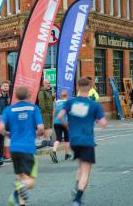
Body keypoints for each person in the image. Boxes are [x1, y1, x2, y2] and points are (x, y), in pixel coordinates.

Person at [57, 77, 107, 206]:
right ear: (90, 88)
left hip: (74, 140)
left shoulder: (70, 103)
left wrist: (66, 125)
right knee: (86, 171)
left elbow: (59, 116)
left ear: (78, 87)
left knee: (80, 165)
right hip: (87, 140)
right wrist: (97, 119)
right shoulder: (94, 105)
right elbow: (103, 124)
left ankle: (77, 187)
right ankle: (77, 199)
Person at [0, 86, 44, 206]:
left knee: (21, 177)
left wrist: (7, 134)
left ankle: (21, 202)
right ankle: (22, 187)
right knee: (30, 181)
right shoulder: (34, 108)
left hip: (14, 148)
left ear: (16, 96)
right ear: (28, 95)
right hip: (28, 147)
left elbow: (1, 127)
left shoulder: (9, 109)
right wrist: (38, 134)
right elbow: (40, 128)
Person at [50, 90, 71, 163]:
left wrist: (52, 122)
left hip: (56, 122)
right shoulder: (68, 103)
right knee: (67, 138)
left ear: (61, 96)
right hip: (65, 122)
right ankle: (67, 154)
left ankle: (54, 151)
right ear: (67, 95)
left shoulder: (56, 102)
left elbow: (54, 112)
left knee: (58, 138)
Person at [0, 80, 11, 162]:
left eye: (7, 86)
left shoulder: (8, 97)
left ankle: (2, 155)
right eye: (4, 86)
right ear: (1, 87)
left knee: (2, 138)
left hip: (5, 120)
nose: (5, 87)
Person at [37, 79, 54, 147]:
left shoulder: (48, 92)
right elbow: (41, 103)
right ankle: (48, 140)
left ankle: (45, 141)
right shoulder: (42, 92)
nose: (48, 84)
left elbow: (48, 100)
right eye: (47, 83)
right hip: (45, 112)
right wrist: (44, 111)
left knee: (49, 126)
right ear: (43, 84)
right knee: (46, 127)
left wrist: (53, 97)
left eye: (49, 83)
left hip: (49, 111)